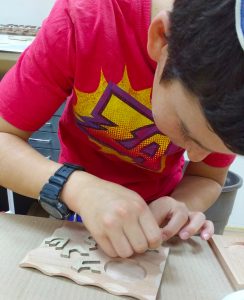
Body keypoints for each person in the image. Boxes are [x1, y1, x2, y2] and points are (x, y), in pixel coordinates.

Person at [0, 0, 243, 258]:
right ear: (161, 40)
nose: (193, 157)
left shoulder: (232, 98)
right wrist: (78, 188)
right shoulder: (87, 19)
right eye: (186, 131)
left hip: (153, 223)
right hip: (70, 204)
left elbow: (207, 177)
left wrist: (181, 203)